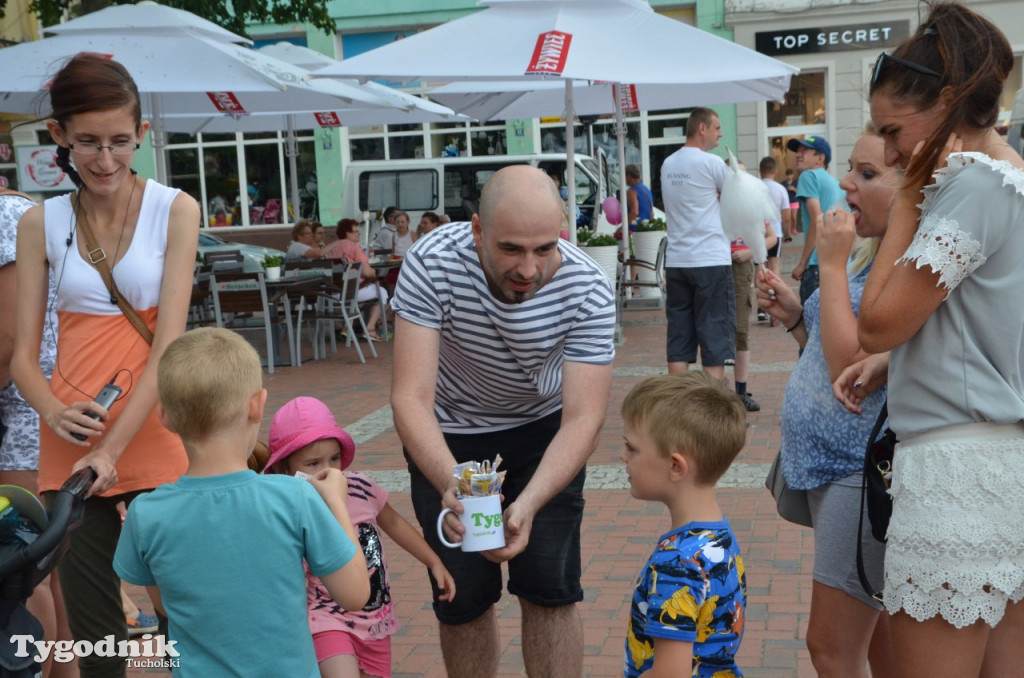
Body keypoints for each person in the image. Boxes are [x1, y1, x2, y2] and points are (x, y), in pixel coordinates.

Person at [10, 53, 199, 678]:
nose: (105, 159)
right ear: (59, 135)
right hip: (74, 436)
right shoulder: (42, 222)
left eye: (120, 141)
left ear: (142, 134)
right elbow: (22, 358)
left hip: (155, 430)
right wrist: (54, 412)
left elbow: (169, 343)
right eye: (87, 142)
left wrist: (112, 450)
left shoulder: (176, 209)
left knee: (184, 611)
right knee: (94, 628)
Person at [389, 164, 615, 678]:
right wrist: (455, 485)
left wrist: (530, 502)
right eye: (511, 249)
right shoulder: (432, 262)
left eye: (545, 247)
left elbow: (584, 416)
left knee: (551, 592)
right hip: (449, 435)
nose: (530, 269)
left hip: (545, 436)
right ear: (477, 231)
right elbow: (410, 398)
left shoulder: (587, 287)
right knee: (462, 598)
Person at [856, 5, 1024, 675]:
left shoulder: (972, 185)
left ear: (950, 101)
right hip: (999, 465)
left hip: (955, 473)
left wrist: (905, 201)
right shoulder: (1010, 179)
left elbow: (878, 319)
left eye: (893, 132)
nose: (890, 153)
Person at [113, 328, 369, 677]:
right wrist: (337, 503)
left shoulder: (146, 514)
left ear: (164, 416)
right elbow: (355, 594)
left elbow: (166, 606)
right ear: (256, 405)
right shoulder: (293, 497)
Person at [756, 129, 898, 678]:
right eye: (851, 171)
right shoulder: (872, 251)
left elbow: (852, 373)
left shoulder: (896, 262)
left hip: (858, 471)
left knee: (831, 647)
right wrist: (795, 316)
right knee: (878, 635)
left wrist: (832, 266)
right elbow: (831, 358)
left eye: (867, 173)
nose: (845, 183)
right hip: (832, 470)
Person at [263, 396, 457, 678]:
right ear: (285, 470)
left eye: (334, 459)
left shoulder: (360, 488)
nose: (328, 470)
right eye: (313, 463)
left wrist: (433, 561)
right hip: (325, 619)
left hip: (375, 621)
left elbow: (394, 523)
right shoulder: (291, 509)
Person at [620, 372, 748, 678]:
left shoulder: (675, 561)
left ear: (675, 466)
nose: (622, 455)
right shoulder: (720, 537)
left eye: (632, 448)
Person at [0, 187, 76, 678]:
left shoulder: (6, 214)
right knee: (41, 569)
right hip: (33, 408)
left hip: (26, 413)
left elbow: (8, 340)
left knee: (21, 575)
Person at [661, 107, 734, 378]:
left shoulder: (668, 164)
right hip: (711, 259)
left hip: (678, 259)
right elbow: (737, 198)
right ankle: (711, 415)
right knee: (714, 337)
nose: (720, 134)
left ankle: (679, 406)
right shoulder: (711, 163)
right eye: (717, 128)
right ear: (701, 128)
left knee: (679, 338)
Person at [786, 135, 845, 305]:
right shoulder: (836, 183)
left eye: (805, 151)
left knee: (811, 327)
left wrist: (802, 263)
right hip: (840, 265)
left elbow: (817, 219)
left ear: (820, 158)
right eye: (798, 151)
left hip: (817, 265)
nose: (798, 154)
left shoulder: (808, 176)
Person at [325, 218, 388, 341]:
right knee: (382, 292)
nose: (359, 234)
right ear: (347, 233)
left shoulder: (332, 248)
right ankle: (370, 329)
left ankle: (348, 326)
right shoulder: (354, 246)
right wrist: (374, 272)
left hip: (333, 293)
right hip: (350, 293)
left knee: (363, 296)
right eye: (355, 231)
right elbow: (367, 272)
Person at [759, 156, 791, 280]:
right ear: (775, 171)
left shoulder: (754, 186)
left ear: (760, 171)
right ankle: (776, 293)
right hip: (775, 232)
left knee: (760, 266)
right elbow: (786, 216)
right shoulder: (781, 189)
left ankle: (761, 293)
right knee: (774, 266)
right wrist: (787, 233)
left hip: (758, 232)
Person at [625, 163, 655, 230]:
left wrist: (622, 228)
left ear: (629, 176)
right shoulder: (647, 189)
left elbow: (634, 212)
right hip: (647, 229)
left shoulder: (632, 191)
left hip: (635, 230)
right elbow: (652, 213)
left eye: (625, 176)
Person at [781, 168, 799, 239]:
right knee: (788, 218)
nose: (789, 176)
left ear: (793, 175)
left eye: (790, 175)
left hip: (794, 201)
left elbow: (799, 191)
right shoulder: (783, 183)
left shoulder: (796, 182)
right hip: (786, 202)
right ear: (786, 176)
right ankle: (788, 231)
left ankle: (794, 228)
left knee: (794, 217)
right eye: (788, 175)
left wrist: (793, 189)